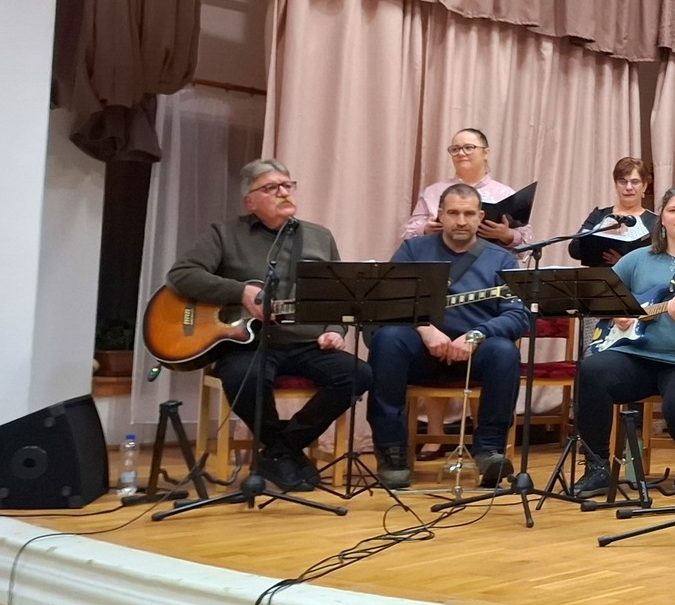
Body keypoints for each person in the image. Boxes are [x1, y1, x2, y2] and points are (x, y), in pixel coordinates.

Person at [165, 160, 371, 493]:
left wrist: (336, 329)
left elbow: (339, 294)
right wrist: (240, 292)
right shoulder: (225, 234)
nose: (283, 192)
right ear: (250, 201)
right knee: (241, 377)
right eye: (271, 188)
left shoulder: (319, 236)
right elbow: (181, 275)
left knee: (358, 374)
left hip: (307, 342)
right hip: (247, 342)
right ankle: (283, 452)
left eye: (287, 185)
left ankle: (279, 450)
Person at [365, 184, 531, 488]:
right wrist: (425, 329)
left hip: (476, 352)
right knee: (387, 340)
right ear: (440, 215)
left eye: (469, 214)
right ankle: (392, 452)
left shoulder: (502, 259)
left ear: (480, 216)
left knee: (505, 353)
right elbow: (388, 301)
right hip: (421, 349)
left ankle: (489, 451)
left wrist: (477, 334)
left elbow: (517, 315)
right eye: (453, 213)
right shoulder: (413, 251)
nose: (461, 221)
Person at [572, 186, 675, 497]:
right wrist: (618, 313)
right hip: (637, 355)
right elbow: (601, 298)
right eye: (673, 210)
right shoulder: (637, 259)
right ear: (662, 218)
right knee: (591, 371)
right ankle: (597, 466)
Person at [403, 128, 532, 249]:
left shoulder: (506, 194)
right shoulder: (433, 192)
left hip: (490, 262)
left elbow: (527, 243)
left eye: (469, 148)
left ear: (486, 153)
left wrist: (506, 235)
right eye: (455, 149)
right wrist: (426, 229)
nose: (461, 153)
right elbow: (407, 234)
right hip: (439, 260)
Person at [570, 156, 658, 268]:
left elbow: (660, 260)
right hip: (598, 276)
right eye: (623, 182)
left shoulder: (656, 222)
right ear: (616, 185)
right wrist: (604, 231)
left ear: (644, 186)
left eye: (635, 182)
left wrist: (624, 262)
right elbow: (574, 250)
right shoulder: (599, 215)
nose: (629, 187)